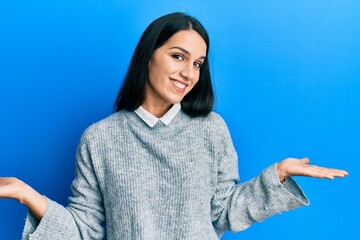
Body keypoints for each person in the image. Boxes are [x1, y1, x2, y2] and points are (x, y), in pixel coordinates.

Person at [0, 12, 348, 240]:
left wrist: (278, 175)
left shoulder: (212, 129)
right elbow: (85, 228)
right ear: (149, 54)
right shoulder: (100, 138)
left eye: (198, 63)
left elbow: (223, 213)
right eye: (178, 56)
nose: (188, 73)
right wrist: (24, 193)